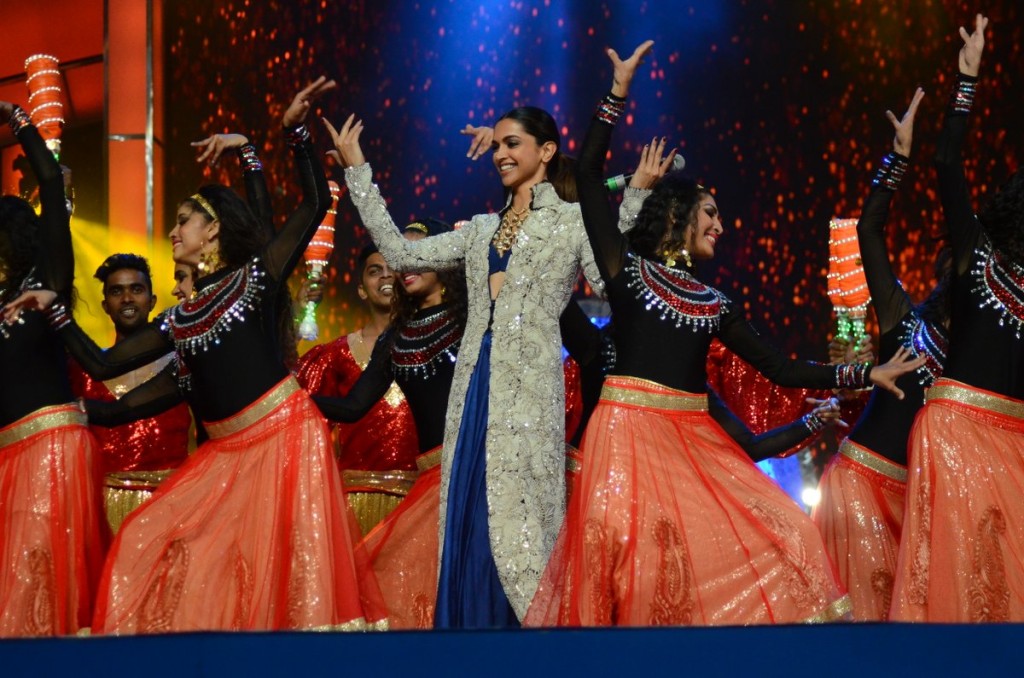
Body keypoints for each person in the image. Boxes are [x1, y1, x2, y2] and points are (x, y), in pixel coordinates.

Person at [524, 41, 925, 627]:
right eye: (710, 212)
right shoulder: (626, 271)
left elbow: (783, 368)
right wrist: (617, 93)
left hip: (689, 439)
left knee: (780, 530)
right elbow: (585, 174)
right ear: (679, 216)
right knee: (622, 562)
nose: (721, 224)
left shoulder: (714, 303)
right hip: (626, 433)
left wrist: (865, 371)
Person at [9, 78, 387, 633]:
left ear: (211, 231)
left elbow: (311, 203)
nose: (172, 229)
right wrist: (55, 310)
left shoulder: (256, 278)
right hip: (226, 453)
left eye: (183, 220)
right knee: (143, 541)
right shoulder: (180, 320)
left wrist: (292, 134)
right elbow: (105, 366)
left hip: (284, 438)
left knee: (288, 589)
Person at [325, 98, 648, 626]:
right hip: (473, 393)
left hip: (529, 397)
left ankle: (529, 649)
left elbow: (615, 281)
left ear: (546, 151)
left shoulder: (571, 222)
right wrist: (357, 168)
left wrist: (630, 202)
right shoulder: (478, 230)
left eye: (511, 143)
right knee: (470, 519)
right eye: (495, 145)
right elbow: (403, 255)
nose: (499, 153)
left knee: (523, 528)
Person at [891, 14, 1024, 622]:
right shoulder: (977, 254)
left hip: (1015, 443)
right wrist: (967, 80)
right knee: (965, 587)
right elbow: (947, 163)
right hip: (957, 431)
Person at [811, 88, 951, 621]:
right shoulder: (903, 319)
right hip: (860, 486)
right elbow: (869, 230)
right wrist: (898, 159)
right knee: (864, 633)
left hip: (914, 509)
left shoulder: (980, 361)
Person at [0, 100, 103, 636]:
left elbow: (46, 175)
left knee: (37, 580)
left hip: (48, 448)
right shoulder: (1, 299)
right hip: (7, 453)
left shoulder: (48, 276)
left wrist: (18, 118)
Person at [296, 243, 419, 535]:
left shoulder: (430, 348)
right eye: (375, 271)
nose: (386, 277)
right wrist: (297, 312)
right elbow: (293, 403)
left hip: (419, 500)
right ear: (362, 290)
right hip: (353, 502)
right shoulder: (333, 356)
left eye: (394, 270)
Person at [68, 254, 192, 534]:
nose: (126, 298)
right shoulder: (80, 370)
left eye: (136, 289)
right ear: (105, 306)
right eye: (116, 291)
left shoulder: (184, 363)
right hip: (101, 513)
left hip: (173, 507)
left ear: (152, 301)